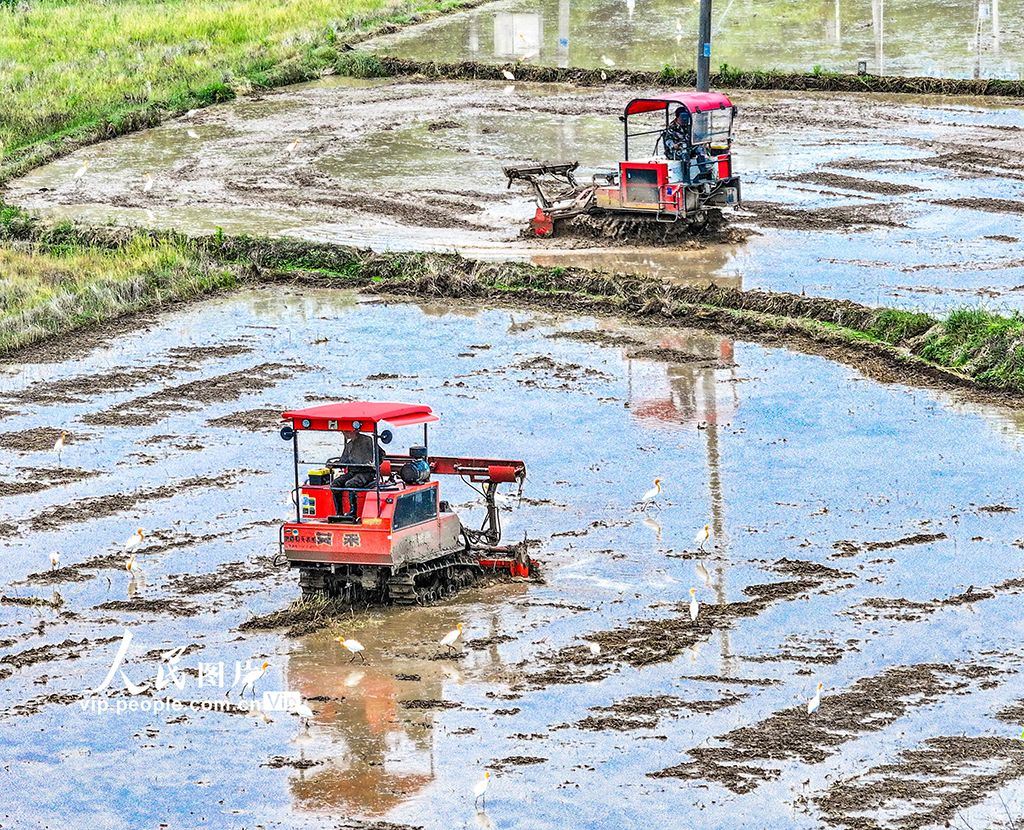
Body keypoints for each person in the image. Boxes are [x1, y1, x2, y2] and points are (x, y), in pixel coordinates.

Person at [331, 430, 385, 519]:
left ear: (354, 431)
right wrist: (333, 465)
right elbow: (343, 461)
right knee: (335, 484)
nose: (345, 434)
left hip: (367, 473)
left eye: (346, 432)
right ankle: (339, 512)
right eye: (344, 432)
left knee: (350, 484)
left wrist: (375, 464)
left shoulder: (368, 441)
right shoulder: (349, 445)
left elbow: (381, 454)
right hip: (353, 472)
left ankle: (353, 512)